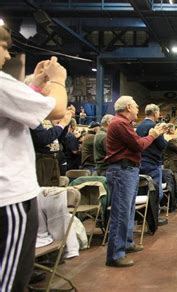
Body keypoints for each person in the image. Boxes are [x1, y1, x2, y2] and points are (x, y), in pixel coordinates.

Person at [0, 25, 68, 292]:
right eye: (4, 48)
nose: (7, 57)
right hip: (9, 196)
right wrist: (59, 80)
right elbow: (58, 110)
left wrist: (33, 86)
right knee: (11, 280)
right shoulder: (2, 83)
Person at [104, 96, 164, 268]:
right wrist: (153, 135)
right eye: (136, 106)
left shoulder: (122, 124)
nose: (138, 109)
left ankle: (126, 243)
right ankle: (115, 254)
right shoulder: (120, 123)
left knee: (128, 211)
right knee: (121, 213)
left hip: (127, 170)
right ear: (129, 107)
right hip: (122, 171)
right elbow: (139, 145)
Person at [136, 104, 168, 225]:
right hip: (153, 163)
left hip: (140, 161)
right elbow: (162, 145)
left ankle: (141, 217)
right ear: (155, 113)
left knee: (142, 190)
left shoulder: (139, 127)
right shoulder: (154, 127)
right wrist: (163, 137)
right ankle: (154, 218)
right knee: (156, 192)